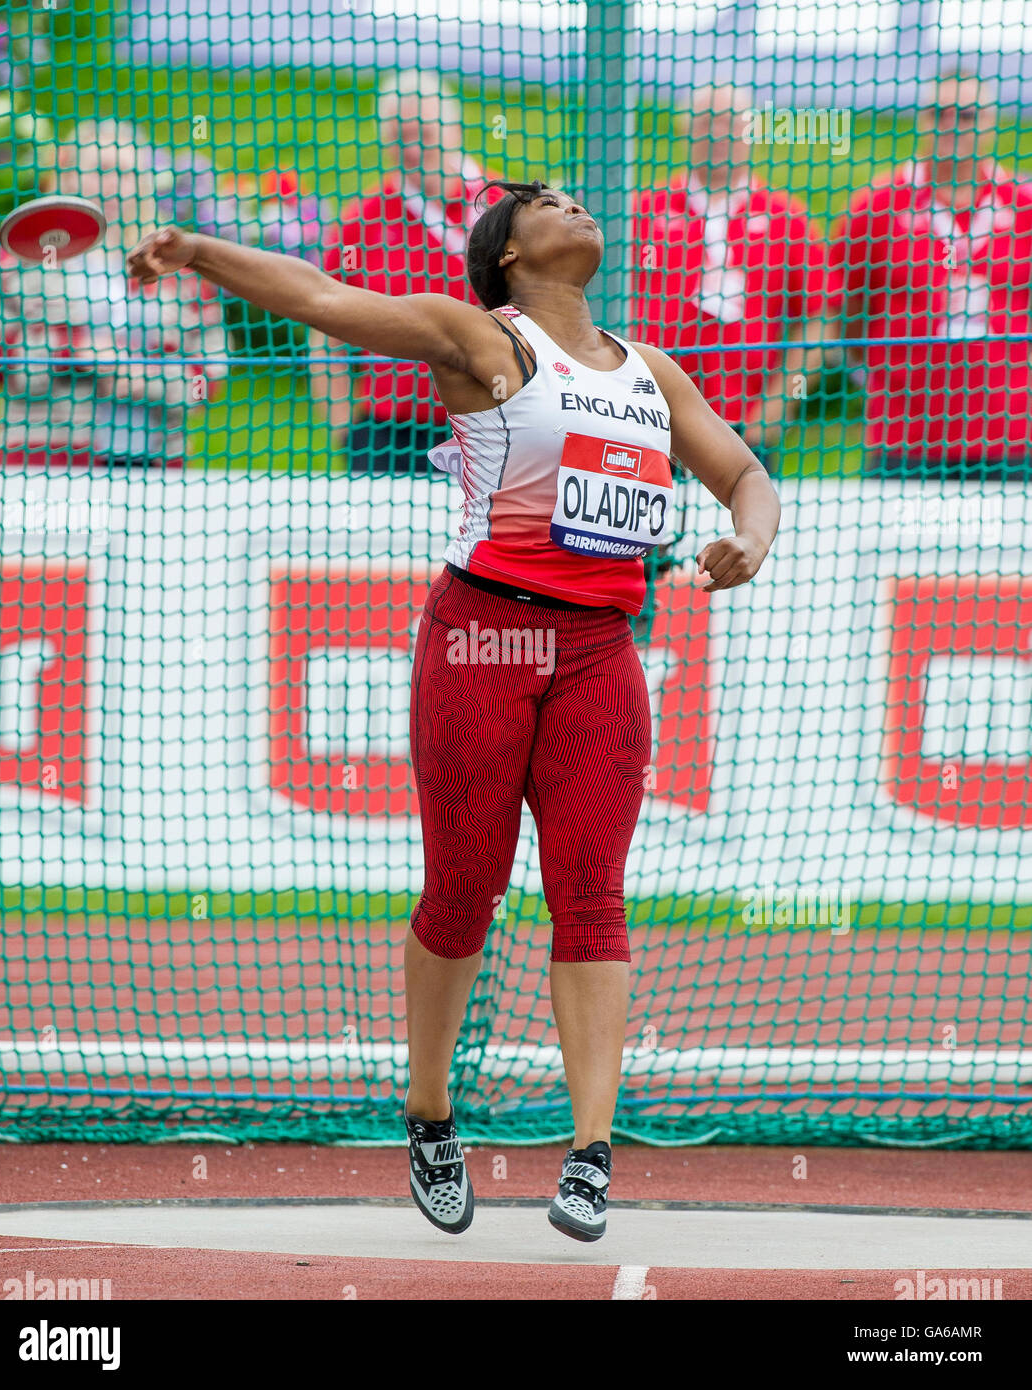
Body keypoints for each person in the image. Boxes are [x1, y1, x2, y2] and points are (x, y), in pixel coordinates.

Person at [127, 179, 779, 1241]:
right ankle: (429, 1111)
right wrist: (200, 249)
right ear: (510, 255)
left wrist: (748, 541)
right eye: (547, 204)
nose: (575, 207)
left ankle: (589, 1154)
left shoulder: (651, 371)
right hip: (483, 638)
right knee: (464, 886)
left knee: (592, 891)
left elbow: (745, 471)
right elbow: (325, 299)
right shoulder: (481, 337)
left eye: (577, 199)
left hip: (599, 655)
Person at [0, 120, 226, 469]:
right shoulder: (22, 259)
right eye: (99, 170)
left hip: (155, 465)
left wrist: (152, 378)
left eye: (126, 172)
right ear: (68, 175)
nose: (112, 184)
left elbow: (209, 378)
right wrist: (75, 353)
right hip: (46, 458)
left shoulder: (179, 272)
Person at [830, 66, 1032, 479]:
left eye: (967, 116)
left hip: (1007, 440)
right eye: (939, 114)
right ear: (920, 120)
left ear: (992, 124)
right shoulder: (875, 207)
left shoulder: (1025, 205)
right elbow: (845, 315)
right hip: (903, 439)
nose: (952, 127)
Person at [632, 84, 838, 472]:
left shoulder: (786, 218)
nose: (717, 135)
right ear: (685, 129)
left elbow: (820, 320)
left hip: (745, 430)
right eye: (706, 121)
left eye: (730, 123)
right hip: (650, 422)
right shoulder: (641, 210)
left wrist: (775, 411)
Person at [308, 70, 503, 475]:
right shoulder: (360, 224)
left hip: (495, 426)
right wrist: (345, 427)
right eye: (399, 136)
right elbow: (325, 329)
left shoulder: (501, 209)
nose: (412, 148)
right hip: (391, 433)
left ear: (453, 130)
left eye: (425, 134)